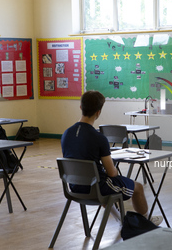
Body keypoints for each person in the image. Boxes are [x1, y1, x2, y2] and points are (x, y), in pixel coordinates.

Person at [61, 90, 163, 225]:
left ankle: (122, 220)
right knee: (137, 187)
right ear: (98, 112)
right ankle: (147, 222)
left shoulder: (66, 134)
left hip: (74, 187)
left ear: (81, 107)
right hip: (96, 189)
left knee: (104, 183)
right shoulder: (99, 138)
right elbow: (112, 173)